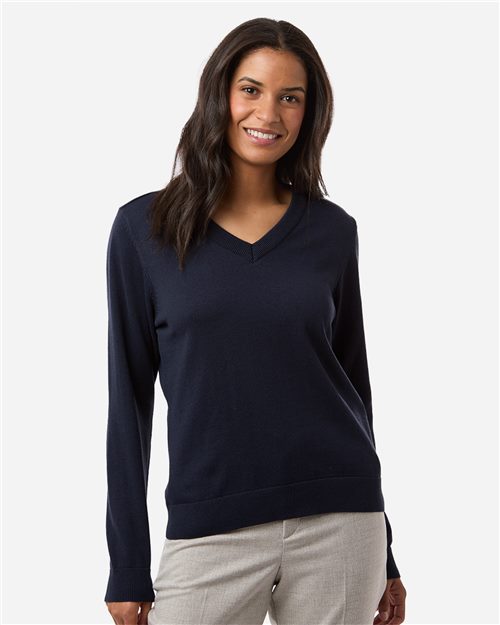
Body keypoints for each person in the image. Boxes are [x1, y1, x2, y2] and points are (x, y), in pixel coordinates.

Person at [104, 17, 407, 625]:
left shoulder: (332, 231)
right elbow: (128, 402)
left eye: (290, 97)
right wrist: (127, 563)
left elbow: (354, 391)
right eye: (251, 89)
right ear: (219, 93)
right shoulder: (144, 231)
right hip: (210, 531)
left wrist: (388, 555)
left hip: (341, 525)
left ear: (309, 113)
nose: (268, 113)